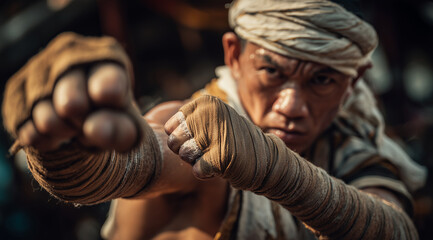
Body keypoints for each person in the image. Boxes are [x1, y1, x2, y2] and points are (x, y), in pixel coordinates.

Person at [1, 0, 427, 239]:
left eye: (322, 79)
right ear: (233, 56)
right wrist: (68, 148)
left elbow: (393, 231)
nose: (292, 105)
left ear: (353, 84)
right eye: (272, 72)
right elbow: (140, 163)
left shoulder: (352, 144)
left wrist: (275, 170)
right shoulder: (196, 126)